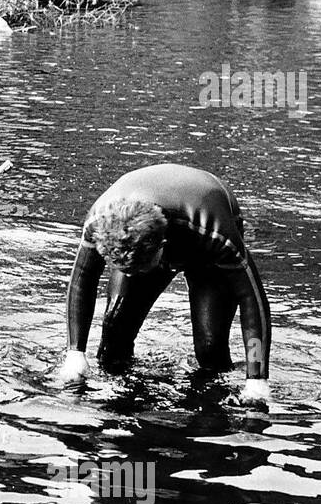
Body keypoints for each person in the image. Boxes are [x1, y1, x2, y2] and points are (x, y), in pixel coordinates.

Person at [56, 163, 272, 404]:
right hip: (145, 230)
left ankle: (210, 414)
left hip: (203, 236)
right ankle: (123, 410)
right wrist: (75, 352)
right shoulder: (99, 221)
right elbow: (81, 280)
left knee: (210, 350)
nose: (133, 275)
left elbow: (252, 298)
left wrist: (257, 378)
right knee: (113, 337)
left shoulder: (214, 230)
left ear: (162, 246)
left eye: (140, 270)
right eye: (126, 271)